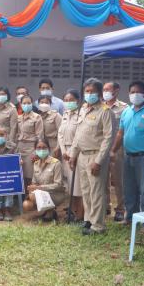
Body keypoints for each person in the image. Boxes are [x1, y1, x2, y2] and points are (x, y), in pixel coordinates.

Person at [111, 80, 144, 235]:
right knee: (129, 189)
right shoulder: (126, 111)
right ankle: (130, 218)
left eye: (138, 92)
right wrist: (113, 150)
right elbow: (120, 133)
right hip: (128, 157)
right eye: (132, 92)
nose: (135, 95)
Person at [69, 78, 113, 236]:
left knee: (97, 192)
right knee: (86, 190)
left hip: (95, 156)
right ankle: (89, 219)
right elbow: (78, 135)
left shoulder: (105, 111)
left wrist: (98, 161)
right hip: (82, 156)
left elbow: (108, 139)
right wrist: (73, 155)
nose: (89, 94)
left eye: (92, 91)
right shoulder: (83, 109)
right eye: (86, 91)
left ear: (100, 93)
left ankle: (98, 226)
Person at [103, 82, 128, 221]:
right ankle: (105, 205)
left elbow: (124, 130)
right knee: (103, 179)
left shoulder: (124, 108)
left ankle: (120, 208)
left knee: (118, 179)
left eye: (108, 89)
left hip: (117, 148)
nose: (105, 92)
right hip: (101, 148)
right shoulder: (100, 106)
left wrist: (115, 148)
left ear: (116, 91)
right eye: (104, 89)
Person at [23, 138, 65, 221]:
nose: (41, 150)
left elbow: (58, 185)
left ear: (49, 149)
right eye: (38, 148)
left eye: (44, 147)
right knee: (26, 205)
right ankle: (48, 211)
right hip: (42, 193)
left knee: (33, 196)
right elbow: (34, 182)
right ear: (35, 150)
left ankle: (50, 211)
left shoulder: (56, 163)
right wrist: (32, 187)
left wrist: (39, 188)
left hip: (56, 194)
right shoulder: (35, 164)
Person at [57, 89, 83, 221]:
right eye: (66, 100)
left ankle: (80, 214)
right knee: (71, 184)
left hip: (76, 153)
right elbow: (60, 134)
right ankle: (72, 211)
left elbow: (79, 136)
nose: (68, 103)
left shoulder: (81, 114)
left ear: (77, 100)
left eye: (71, 100)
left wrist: (72, 153)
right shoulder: (66, 114)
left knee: (78, 186)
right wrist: (63, 151)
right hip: (65, 153)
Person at [16, 95, 43, 189]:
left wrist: (37, 152)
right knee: (21, 174)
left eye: (28, 103)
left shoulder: (37, 117)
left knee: (31, 175)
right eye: (24, 103)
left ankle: (32, 197)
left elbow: (39, 136)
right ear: (20, 105)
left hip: (31, 147)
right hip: (19, 147)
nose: (26, 105)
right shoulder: (18, 117)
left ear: (32, 104)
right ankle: (23, 198)